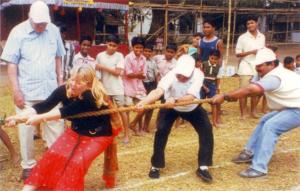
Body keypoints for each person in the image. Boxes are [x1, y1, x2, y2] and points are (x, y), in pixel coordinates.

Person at [6, 65, 122, 190]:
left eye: (78, 83)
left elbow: (66, 111)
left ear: (88, 84)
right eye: (72, 79)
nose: (72, 84)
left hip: (98, 136)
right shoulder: (66, 89)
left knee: (75, 163)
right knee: (52, 155)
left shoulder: (91, 96)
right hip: (76, 131)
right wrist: (18, 117)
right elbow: (44, 106)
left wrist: (39, 118)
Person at [0, 1, 65, 180]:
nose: (41, 26)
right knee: (26, 132)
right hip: (27, 92)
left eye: (44, 23)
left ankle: (56, 163)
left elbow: (59, 56)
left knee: (56, 129)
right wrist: (16, 90)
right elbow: (11, 64)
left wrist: (60, 80)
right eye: (38, 23)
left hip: (51, 91)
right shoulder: (17, 32)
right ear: (30, 18)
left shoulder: (53, 30)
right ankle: (28, 166)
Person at [212, 48, 300, 178]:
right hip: (289, 106)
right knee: (265, 120)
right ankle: (250, 151)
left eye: (261, 65)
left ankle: (259, 168)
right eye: (257, 65)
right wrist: (231, 96)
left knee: (271, 126)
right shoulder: (275, 71)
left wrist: (225, 96)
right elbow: (250, 88)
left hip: (296, 108)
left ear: (271, 64)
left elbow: (251, 89)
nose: (258, 68)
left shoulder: (274, 76)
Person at [136, 55, 214, 183]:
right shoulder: (171, 75)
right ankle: (156, 165)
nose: (181, 78)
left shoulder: (198, 74)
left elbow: (190, 96)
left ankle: (203, 166)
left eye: (185, 76)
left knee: (206, 130)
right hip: (170, 107)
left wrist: (175, 100)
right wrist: (144, 102)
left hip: (191, 107)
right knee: (161, 131)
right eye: (179, 75)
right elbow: (158, 91)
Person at [95, 34, 129, 144]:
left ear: (117, 46)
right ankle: (108, 134)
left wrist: (103, 67)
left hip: (117, 88)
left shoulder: (119, 56)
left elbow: (118, 72)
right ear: (106, 44)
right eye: (110, 45)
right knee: (106, 112)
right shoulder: (100, 55)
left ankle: (126, 134)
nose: (111, 47)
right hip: (105, 89)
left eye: (114, 46)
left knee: (121, 111)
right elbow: (97, 72)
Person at [235, 15, 265, 119]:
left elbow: (263, 52)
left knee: (256, 91)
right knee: (243, 91)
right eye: (248, 24)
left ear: (257, 23)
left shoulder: (262, 36)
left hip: (258, 67)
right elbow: (237, 54)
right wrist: (252, 52)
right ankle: (243, 113)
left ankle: (253, 112)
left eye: (252, 22)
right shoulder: (242, 37)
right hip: (245, 66)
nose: (250, 25)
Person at [123, 36, 147, 135]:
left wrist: (136, 75)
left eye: (141, 47)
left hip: (139, 87)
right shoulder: (128, 58)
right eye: (136, 47)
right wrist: (138, 74)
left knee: (143, 106)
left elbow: (144, 76)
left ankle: (136, 126)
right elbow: (128, 74)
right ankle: (127, 132)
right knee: (127, 109)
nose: (139, 49)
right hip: (127, 86)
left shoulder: (144, 58)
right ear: (132, 47)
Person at [200, 50, 222, 127]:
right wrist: (203, 86)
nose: (213, 60)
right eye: (212, 58)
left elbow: (218, 78)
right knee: (198, 102)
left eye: (215, 59)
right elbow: (200, 75)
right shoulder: (204, 64)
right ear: (209, 57)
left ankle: (215, 121)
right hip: (202, 84)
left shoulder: (219, 67)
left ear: (218, 59)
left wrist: (218, 87)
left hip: (212, 85)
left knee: (214, 103)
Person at [142, 43, 158, 133]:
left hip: (152, 84)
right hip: (142, 84)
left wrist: (156, 86)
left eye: (149, 51)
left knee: (151, 106)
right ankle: (140, 126)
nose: (147, 53)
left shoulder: (153, 62)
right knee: (143, 105)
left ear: (152, 53)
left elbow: (156, 75)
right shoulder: (140, 60)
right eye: (146, 51)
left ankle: (146, 126)